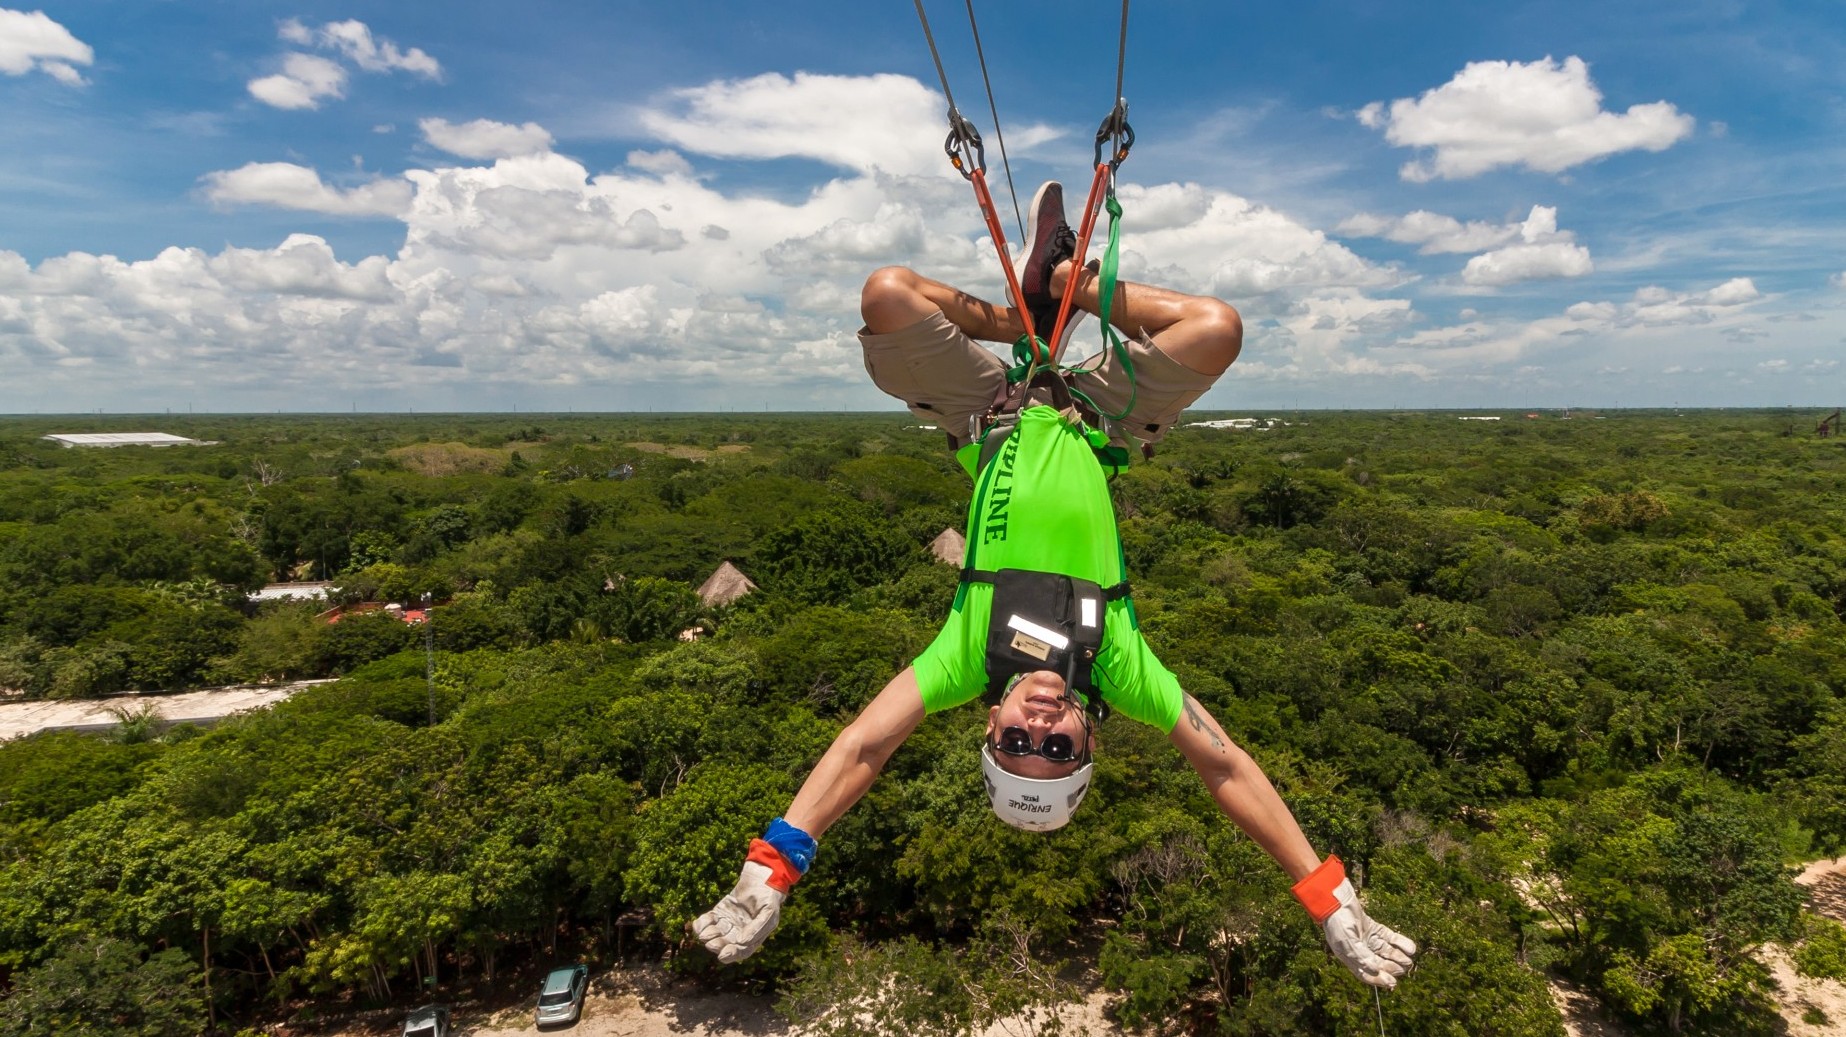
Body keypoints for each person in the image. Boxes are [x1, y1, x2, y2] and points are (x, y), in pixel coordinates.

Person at [694, 183, 1417, 989]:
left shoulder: (964, 659)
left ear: (990, 728)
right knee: (1218, 327)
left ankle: (1021, 319)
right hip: (1098, 415)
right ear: (1088, 741)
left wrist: (773, 866)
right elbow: (1226, 769)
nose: (1038, 727)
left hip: (988, 412)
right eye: (1057, 750)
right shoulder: (1120, 668)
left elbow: (865, 746)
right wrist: (1328, 896)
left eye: (1016, 746)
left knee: (886, 294)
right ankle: (1065, 283)